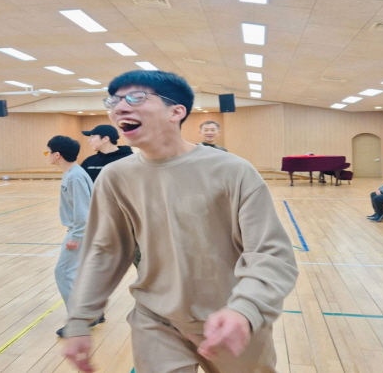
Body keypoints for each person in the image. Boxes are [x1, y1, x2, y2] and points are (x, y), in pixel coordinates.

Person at [63, 70, 298, 373]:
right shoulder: (115, 176)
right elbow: (105, 251)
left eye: (136, 98)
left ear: (176, 112)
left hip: (231, 319)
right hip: (155, 319)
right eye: (114, 101)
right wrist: (79, 319)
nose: (119, 108)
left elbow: (271, 253)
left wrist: (246, 308)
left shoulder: (233, 171)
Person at [46, 136, 95, 337]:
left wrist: (76, 236)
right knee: (75, 274)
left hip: (80, 232)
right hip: (80, 231)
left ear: (57, 154)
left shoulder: (75, 176)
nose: (47, 155)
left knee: (64, 272)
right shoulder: (72, 174)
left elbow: (83, 211)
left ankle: (78, 322)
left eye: (48, 152)